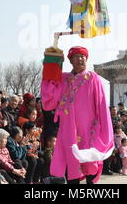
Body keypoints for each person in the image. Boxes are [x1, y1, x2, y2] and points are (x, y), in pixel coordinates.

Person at [41, 46, 113, 184]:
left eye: (83, 57)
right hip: (69, 128)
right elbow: (50, 96)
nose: (80, 59)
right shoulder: (64, 78)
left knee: (90, 162)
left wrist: (102, 126)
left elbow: (101, 105)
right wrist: (52, 63)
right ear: (70, 61)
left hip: (89, 128)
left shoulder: (93, 78)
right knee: (72, 162)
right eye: (76, 57)